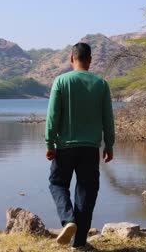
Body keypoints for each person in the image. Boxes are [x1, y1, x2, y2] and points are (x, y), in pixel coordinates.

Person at [45, 42, 115, 250]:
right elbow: (107, 119)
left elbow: (52, 116)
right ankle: (80, 242)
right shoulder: (101, 84)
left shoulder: (61, 81)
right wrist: (109, 144)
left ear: (71, 58)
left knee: (57, 184)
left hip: (64, 147)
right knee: (86, 192)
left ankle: (68, 220)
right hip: (90, 149)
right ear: (90, 60)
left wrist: (49, 143)